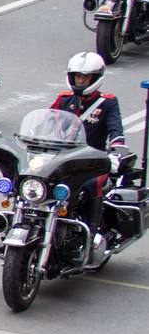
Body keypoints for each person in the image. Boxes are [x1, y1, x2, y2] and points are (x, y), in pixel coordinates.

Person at [52, 52, 129, 243]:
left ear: (94, 78)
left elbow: (115, 130)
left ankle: (90, 233)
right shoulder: (64, 100)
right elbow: (45, 124)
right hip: (62, 158)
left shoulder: (107, 103)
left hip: (92, 161)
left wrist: (117, 151)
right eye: (78, 76)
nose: (80, 81)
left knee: (91, 183)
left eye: (85, 77)